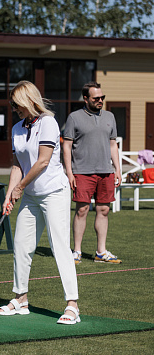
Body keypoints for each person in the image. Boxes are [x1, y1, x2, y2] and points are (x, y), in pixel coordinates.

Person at [0, 81, 80, 324]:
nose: (15, 109)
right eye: (13, 105)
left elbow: (43, 161)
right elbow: (17, 164)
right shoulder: (17, 128)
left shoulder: (48, 123)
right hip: (31, 195)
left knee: (59, 246)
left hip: (54, 191)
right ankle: (20, 298)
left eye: (18, 104)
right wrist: (9, 194)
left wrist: (20, 188)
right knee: (22, 245)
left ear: (30, 101)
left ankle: (72, 305)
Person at [63, 82, 122, 264]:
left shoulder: (110, 117)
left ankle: (100, 252)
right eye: (96, 98)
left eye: (102, 97)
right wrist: (69, 172)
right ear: (86, 98)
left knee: (103, 210)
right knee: (82, 210)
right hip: (82, 172)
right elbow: (67, 145)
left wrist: (117, 169)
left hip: (106, 172)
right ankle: (77, 252)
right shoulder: (74, 118)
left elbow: (113, 145)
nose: (100, 101)